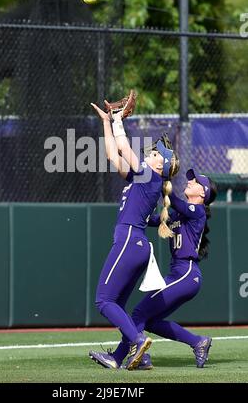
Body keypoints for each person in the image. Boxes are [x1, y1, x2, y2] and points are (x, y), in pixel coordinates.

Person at [89, 103, 179, 370]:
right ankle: (122, 358)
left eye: (153, 153)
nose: (149, 153)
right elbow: (113, 156)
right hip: (136, 246)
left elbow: (125, 149)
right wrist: (107, 123)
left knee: (104, 301)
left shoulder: (149, 175)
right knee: (116, 303)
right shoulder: (143, 178)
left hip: (129, 241)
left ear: (159, 162)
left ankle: (138, 342)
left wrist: (118, 121)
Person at [109, 168, 217, 370]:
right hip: (180, 274)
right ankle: (198, 342)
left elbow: (174, 201)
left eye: (194, 182)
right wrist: (133, 208)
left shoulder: (198, 211)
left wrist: (160, 180)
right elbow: (153, 220)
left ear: (202, 193)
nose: (190, 182)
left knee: (139, 312)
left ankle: (121, 356)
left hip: (186, 273)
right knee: (148, 320)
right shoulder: (178, 213)